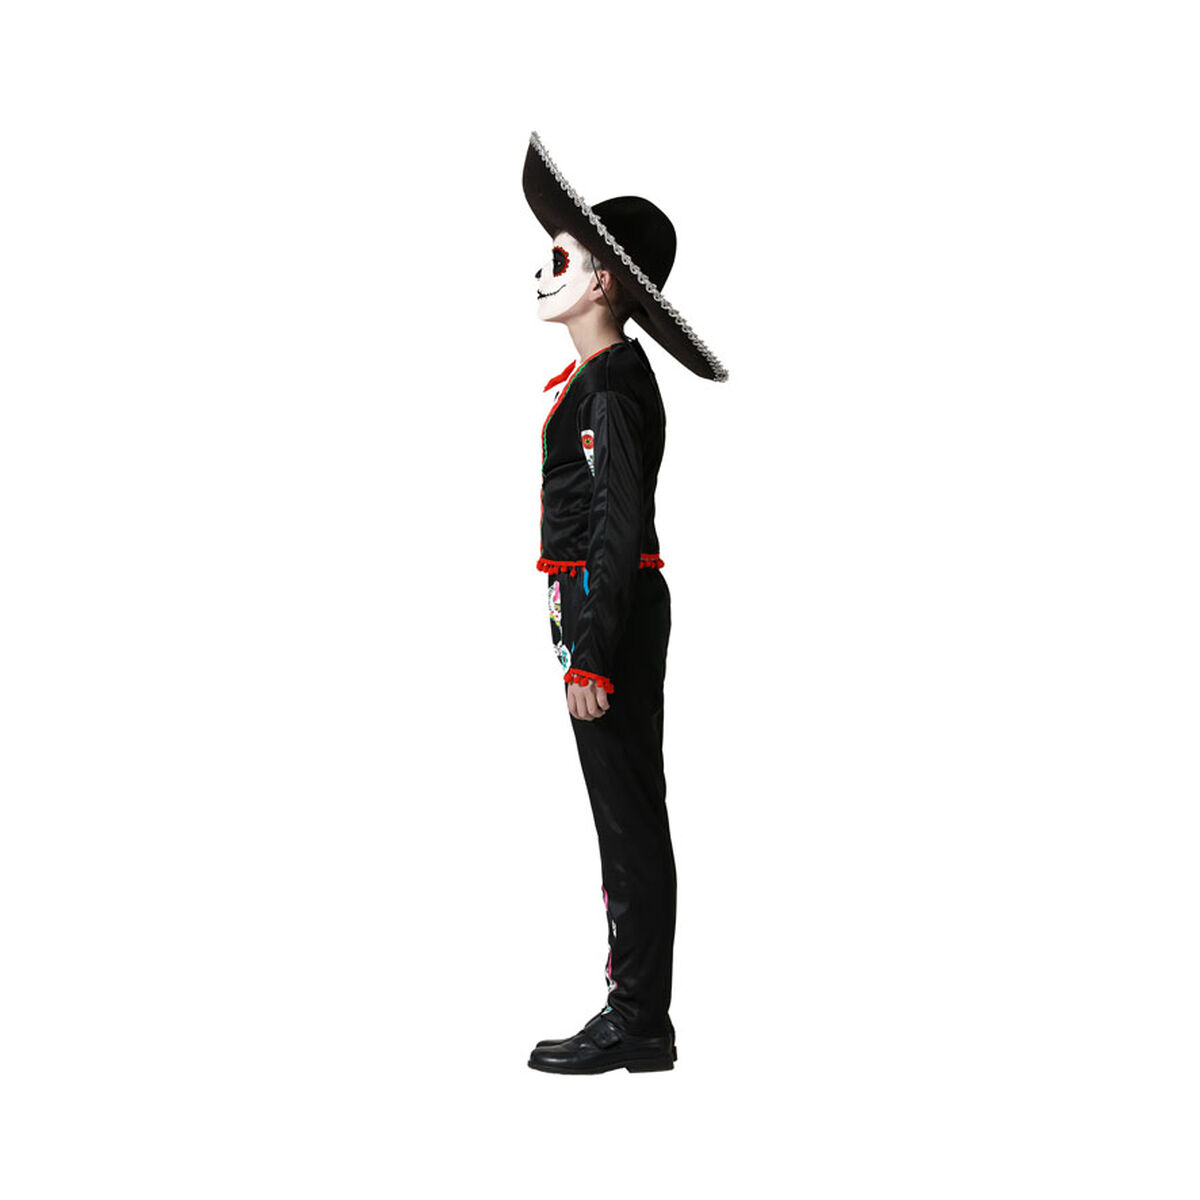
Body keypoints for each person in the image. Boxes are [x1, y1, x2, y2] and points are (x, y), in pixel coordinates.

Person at [522, 132, 728, 1074]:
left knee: (629, 817)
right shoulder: (602, 380)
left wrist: (592, 652)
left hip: (608, 608)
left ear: (604, 281)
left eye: (561, 258)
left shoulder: (613, 385)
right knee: (624, 812)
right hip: (595, 607)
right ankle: (637, 1010)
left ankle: (639, 1017)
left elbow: (616, 519)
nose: (543, 270)